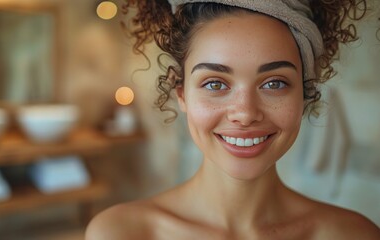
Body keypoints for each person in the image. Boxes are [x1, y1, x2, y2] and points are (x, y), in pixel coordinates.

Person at [86, 0, 380, 239]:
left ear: (304, 96)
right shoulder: (120, 233)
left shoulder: (355, 235)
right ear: (182, 95)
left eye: (274, 83)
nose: (245, 113)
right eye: (215, 84)